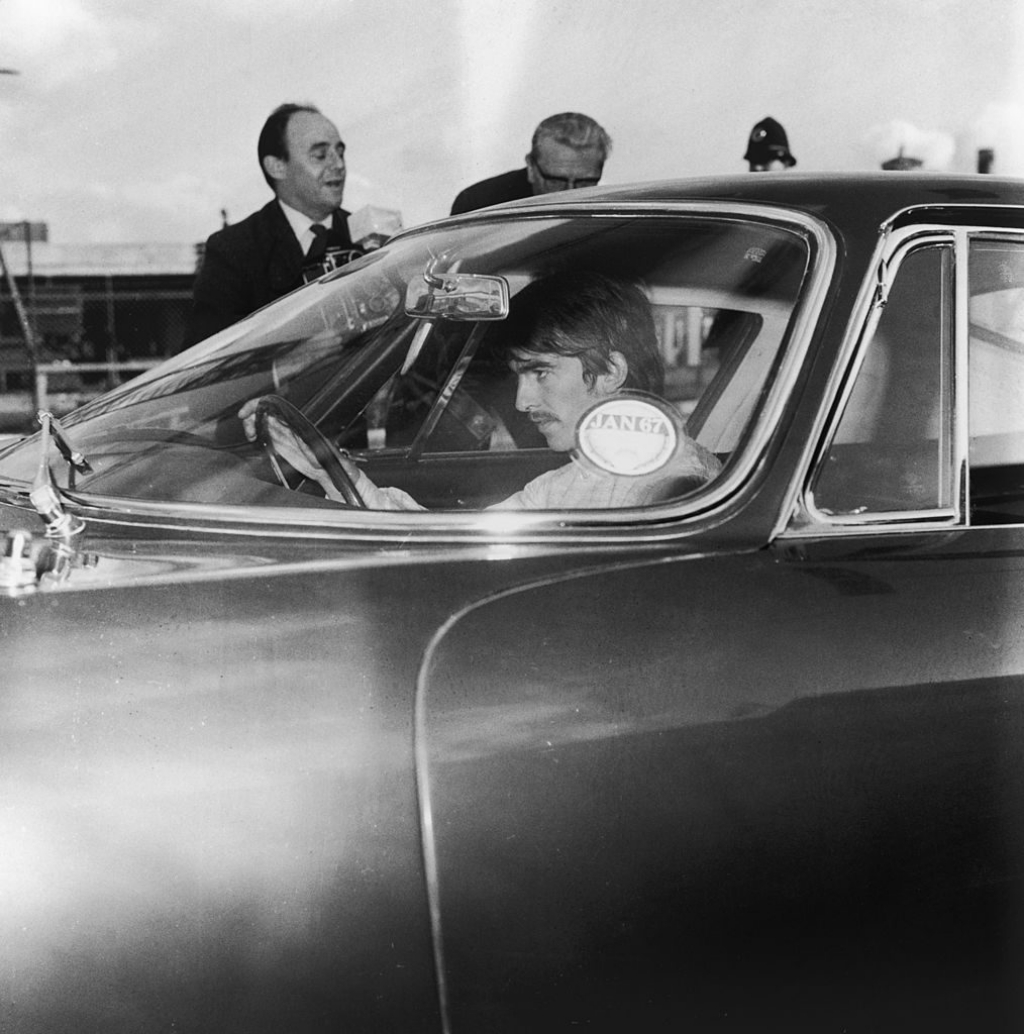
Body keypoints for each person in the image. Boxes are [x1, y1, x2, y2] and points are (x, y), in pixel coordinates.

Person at [250, 271, 721, 510]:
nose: (520, 401)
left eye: (540, 373)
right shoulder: (576, 481)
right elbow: (449, 538)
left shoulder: (671, 486)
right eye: (519, 375)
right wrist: (338, 474)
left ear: (610, 372)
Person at [183, 103, 360, 347]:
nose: (339, 165)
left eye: (340, 153)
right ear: (277, 166)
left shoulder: (372, 238)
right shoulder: (233, 251)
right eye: (320, 155)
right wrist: (292, 363)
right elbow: (205, 360)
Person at [450, 113, 612, 216]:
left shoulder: (613, 211)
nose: (570, 193)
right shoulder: (478, 205)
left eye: (585, 183)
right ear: (531, 169)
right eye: (555, 181)